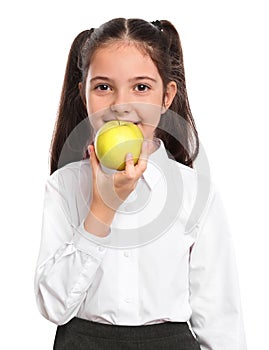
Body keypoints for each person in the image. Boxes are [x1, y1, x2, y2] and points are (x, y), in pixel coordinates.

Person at [34, 18, 247, 349]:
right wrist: (100, 210)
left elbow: (220, 317)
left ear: (166, 97)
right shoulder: (64, 186)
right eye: (103, 87)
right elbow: (53, 306)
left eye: (141, 87)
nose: (121, 104)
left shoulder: (194, 193)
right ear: (84, 94)